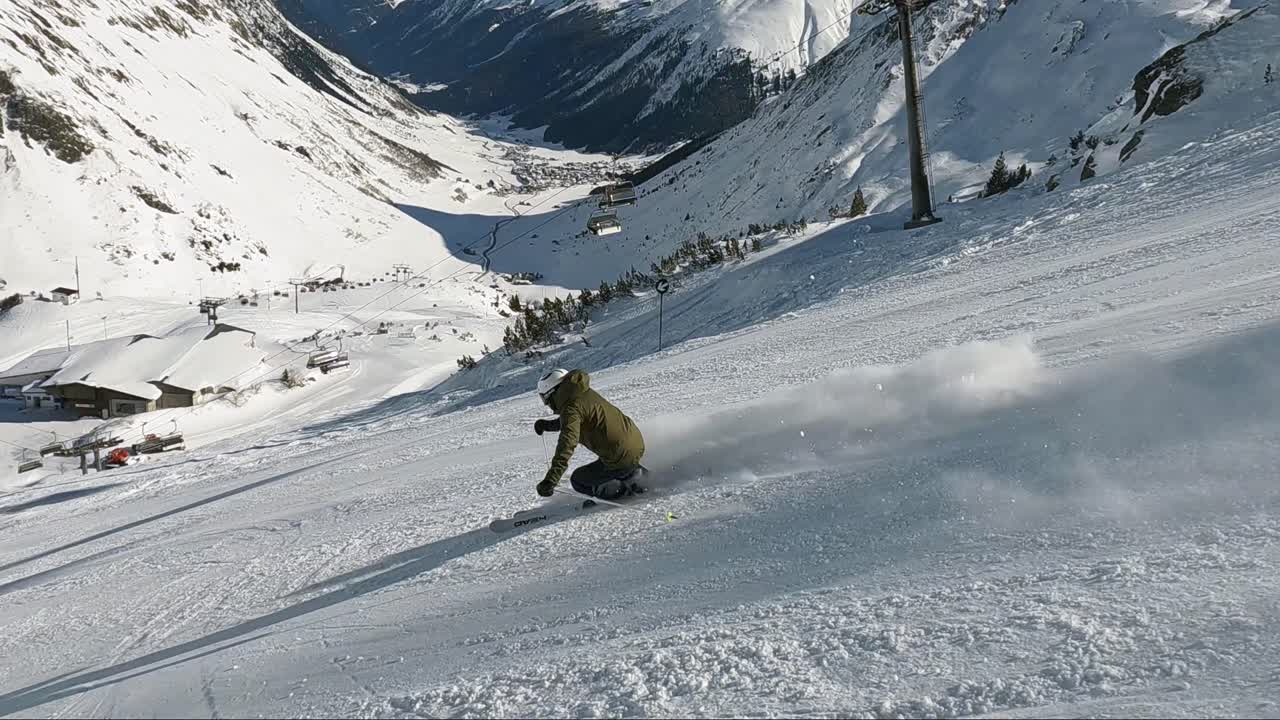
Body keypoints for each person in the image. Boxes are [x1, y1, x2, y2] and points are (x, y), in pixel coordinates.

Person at [534, 368, 646, 500]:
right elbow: (575, 420)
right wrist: (547, 425)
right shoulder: (582, 393)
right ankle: (637, 475)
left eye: (544, 398)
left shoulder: (571, 408)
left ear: (551, 393)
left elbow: (567, 443)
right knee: (616, 463)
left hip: (619, 454)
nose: (546, 403)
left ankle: (624, 492)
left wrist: (551, 480)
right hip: (635, 443)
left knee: (579, 480)